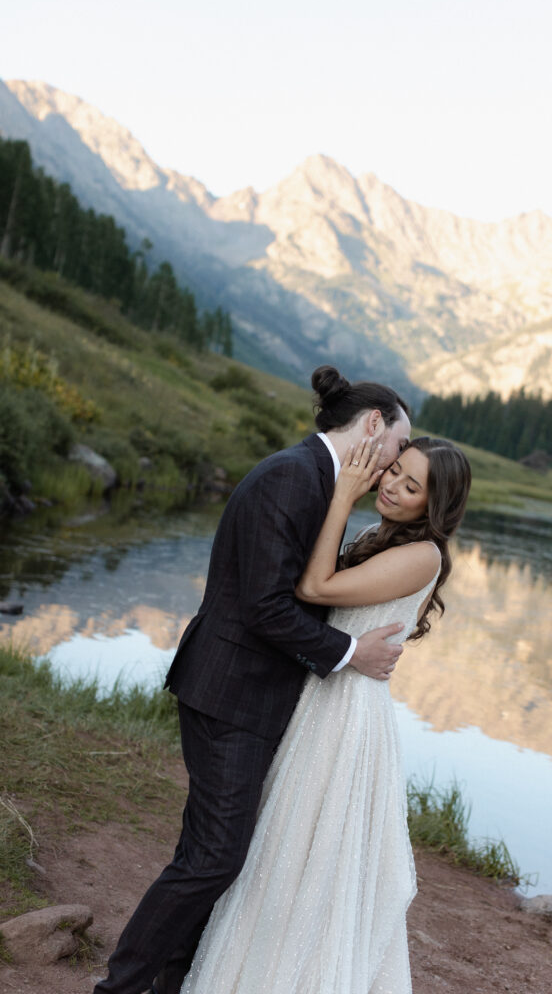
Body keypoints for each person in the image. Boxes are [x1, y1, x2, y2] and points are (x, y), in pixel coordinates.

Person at [94, 366, 412, 994]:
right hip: (230, 692)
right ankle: (120, 988)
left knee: (209, 854)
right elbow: (268, 606)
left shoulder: (320, 481)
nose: (398, 463)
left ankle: (172, 983)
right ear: (373, 425)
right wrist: (351, 652)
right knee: (215, 857)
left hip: (247, 693)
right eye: (400, 447)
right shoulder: (294, 480)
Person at [177, 433, 472, 994]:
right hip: (322, 695)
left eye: (412, 487)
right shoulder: (376, 536)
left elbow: (316, 586)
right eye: (394, 472)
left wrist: (341, 495)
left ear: (433, 507)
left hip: (346, 714)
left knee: (310, 849)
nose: (391, 486)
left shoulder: (421, 555)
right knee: (277, 844)